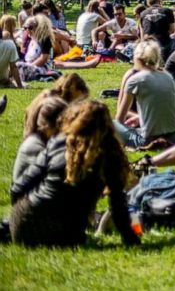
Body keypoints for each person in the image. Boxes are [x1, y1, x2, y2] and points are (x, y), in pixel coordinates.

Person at [8, 99, 139, 247]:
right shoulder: (109, 155)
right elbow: (117, 205)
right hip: (66, 234)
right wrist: (130, 238)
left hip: (22, 227)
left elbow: (17, 189)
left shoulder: (57, 142)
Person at [113, 39, 175, 148]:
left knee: (110, 124)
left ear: (137, 57)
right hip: (173, 137)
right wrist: (140, 117)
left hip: (147, 139)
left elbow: (120, 118)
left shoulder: (135, 80)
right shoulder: (168, 77)